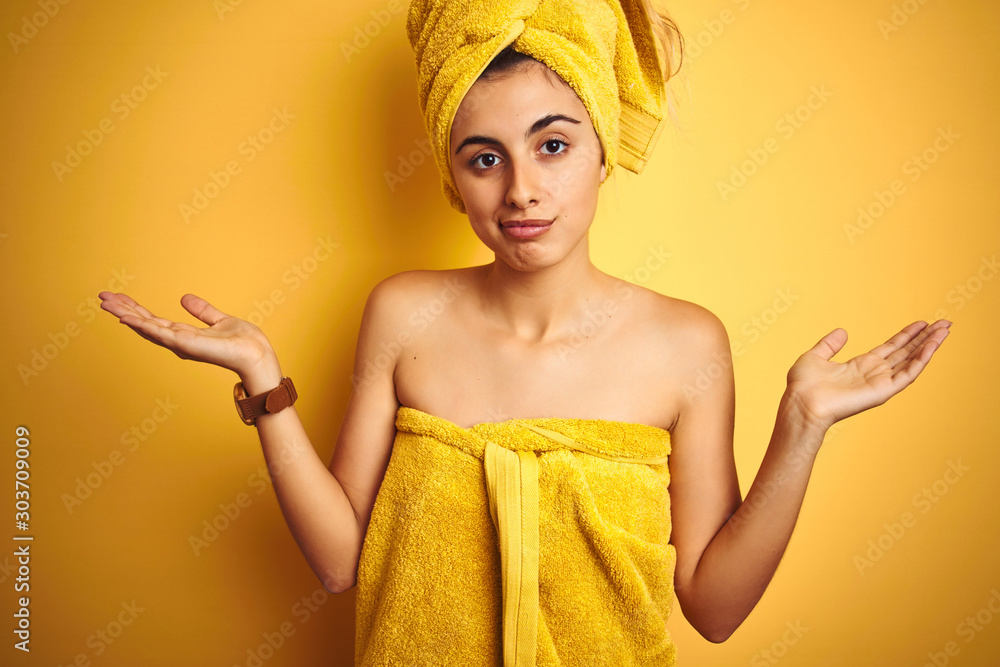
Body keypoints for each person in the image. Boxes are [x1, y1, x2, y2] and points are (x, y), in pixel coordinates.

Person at [99, 0, 950, 664]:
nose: (521, 191)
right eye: (483, 157)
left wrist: (800, 428)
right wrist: (263, 382)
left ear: (601, 149)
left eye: (552, 145)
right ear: (452, 177)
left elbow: (715, 608)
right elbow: (337, 563)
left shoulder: (688, 346)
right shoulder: (404, 314)